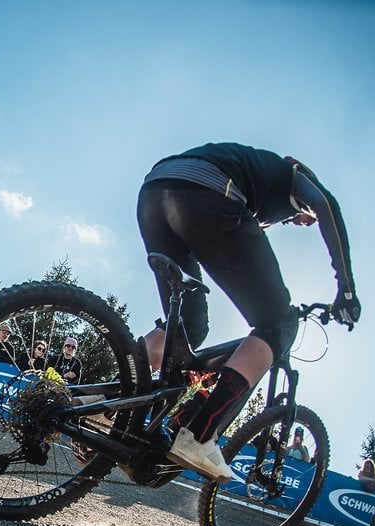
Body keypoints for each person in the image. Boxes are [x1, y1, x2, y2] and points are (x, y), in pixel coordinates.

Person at [136, 142, 360, 483]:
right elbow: (326, 204)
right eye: (302, 215)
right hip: (207, 193)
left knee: (187, 327)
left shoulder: (257, 177)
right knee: (278, 322)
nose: (301, 220)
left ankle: (110, 399)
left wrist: (283, 217)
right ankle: (198, 435)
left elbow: (237, 241)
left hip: (154, 192)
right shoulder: (293, 174)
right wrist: (346, 290)